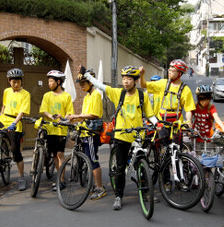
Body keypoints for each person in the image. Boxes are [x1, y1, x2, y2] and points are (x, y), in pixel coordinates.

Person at [84, 65, 158, 211]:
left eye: (129, 79)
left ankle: (146, 192)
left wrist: (157, 124)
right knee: (120, 167)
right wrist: (88, 76)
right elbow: (100, 86)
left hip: (138, 136)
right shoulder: (119, 93)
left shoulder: (142, 96)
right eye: (124, 78)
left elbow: (150, 115)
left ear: (136, 81)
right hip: (121, 135)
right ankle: (118, 196)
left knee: (142, 165)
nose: (125, 82)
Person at [65, 70, 106, 200]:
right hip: (84, 131)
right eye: (80, 84)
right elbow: (84, 117)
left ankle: (100, 188)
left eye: (83, 83)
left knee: (93, 160)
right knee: (87, 159)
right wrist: (70, 119)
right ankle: (93, 185)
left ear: (90, 82)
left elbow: (93, 115)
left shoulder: (96, 95)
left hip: (91, 132)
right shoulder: (87, 96)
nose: (81, 86)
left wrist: (76, 116)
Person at [39, 70, 74, 191]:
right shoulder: (47, 95)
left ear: (58, 82)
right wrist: (51, 116)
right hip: (49, 129)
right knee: (54, 154)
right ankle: (59, 177)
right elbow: (44, 110)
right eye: (48, 81)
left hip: (61, 130)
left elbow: (70, 113)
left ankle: (62, 180)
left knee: (60, 154)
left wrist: (62, 118)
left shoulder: (66, 96)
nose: (49, 83)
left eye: (51, 81)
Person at [140, 59, 195, 128]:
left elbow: (188, 110)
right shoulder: (163, 83)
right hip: (161, 123)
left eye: (172, 70)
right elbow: (144, 85)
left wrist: (188, 121)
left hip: (177, 125)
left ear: (179, 73)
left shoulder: (186, 90)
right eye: (169, 70)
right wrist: (142, 75)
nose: (169, 72)